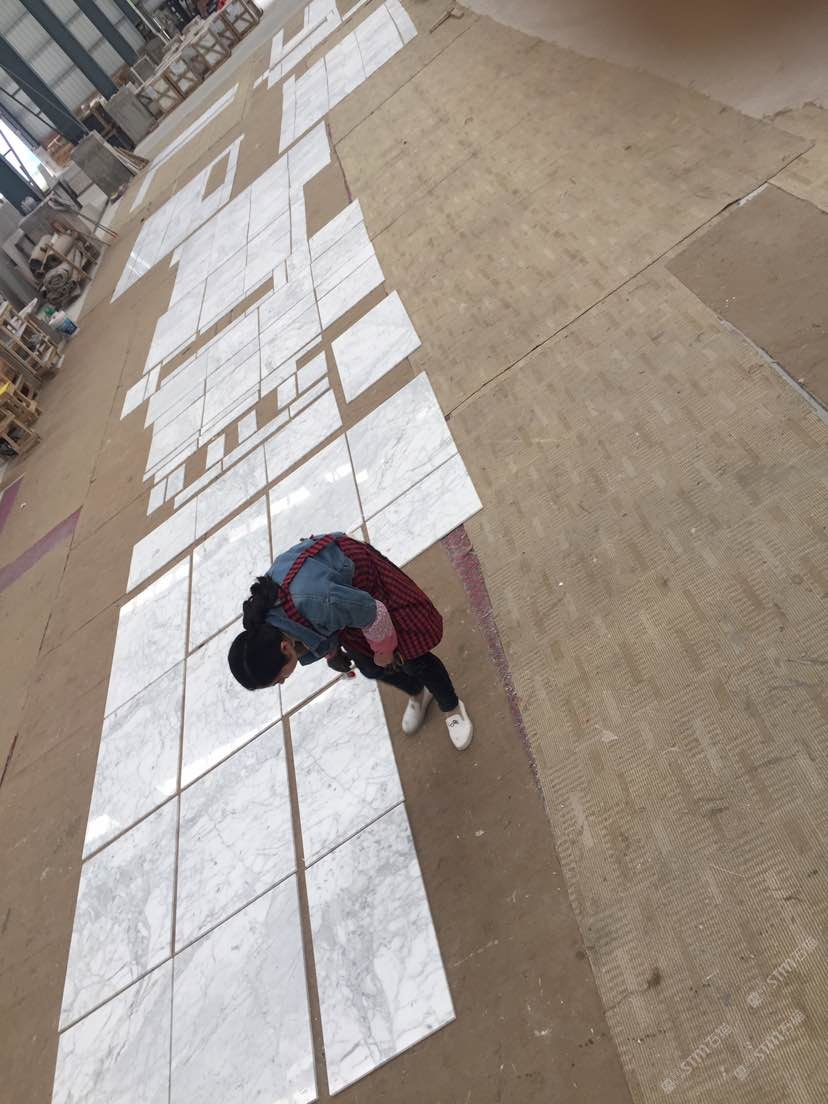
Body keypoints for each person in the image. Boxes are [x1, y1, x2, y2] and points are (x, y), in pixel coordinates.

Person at [227, 532, 473, 750]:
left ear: (285, 647)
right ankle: (418, 691)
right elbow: (311, 629)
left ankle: (451, 707)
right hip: (343, 602)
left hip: (364, 583)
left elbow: (374, 613)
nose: (283, 681)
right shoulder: (263, 621)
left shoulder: (316, 601)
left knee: (412, 658)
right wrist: (332, 653)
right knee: (369, 667)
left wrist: (385, 652)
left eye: (279, 679)